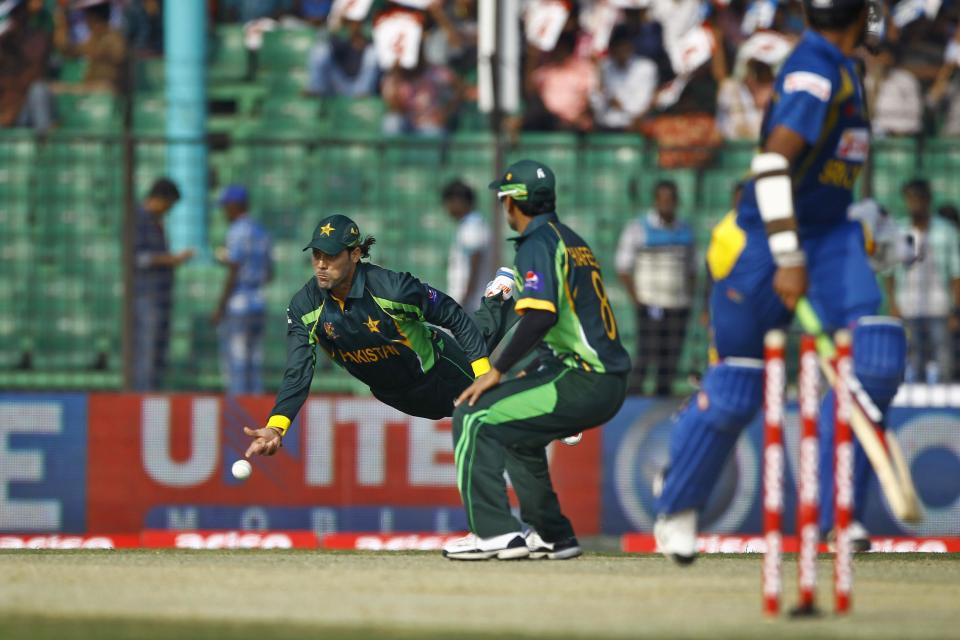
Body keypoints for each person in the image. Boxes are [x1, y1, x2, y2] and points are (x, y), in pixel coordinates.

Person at [654, 0, 906, 563]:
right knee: (737, 386)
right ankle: (677, 501)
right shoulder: (816, 70)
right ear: (862, 14)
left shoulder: (845, 69)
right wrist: (790, 255)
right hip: (768, 239)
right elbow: (771, 167)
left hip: (831, 235)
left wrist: (873, 231)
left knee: (877, 358)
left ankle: (837, 513)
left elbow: (830, 178)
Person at [444, 160, 630, 561]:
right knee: (516, 435)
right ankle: (552, 534)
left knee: (473, 415)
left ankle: (493, 533)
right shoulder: (570, 239)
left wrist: (498, 370)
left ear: (516, 203)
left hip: (584, 377)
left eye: (504, 199)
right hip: (601, 375)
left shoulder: (537, 244)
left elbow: (542, 314)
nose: (502, 207)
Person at [242, 213, 494, 456]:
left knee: (491, 406)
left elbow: (454, 316)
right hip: (394, 395)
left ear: (355, 254)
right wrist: (276, 427)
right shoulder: (304, 307)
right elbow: (298, 370)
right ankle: (499, 302)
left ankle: (500, 299)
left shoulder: (392, 289)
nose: (320, 263)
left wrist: (483, 374)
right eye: (316, 255)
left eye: (330, 255)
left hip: (438, 373)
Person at [616, 180, 696, 396]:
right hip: (650, 303)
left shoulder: (685, 230)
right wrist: (638, 300)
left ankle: (663, 400)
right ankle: (634, 400)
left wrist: (687, 296)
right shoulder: (639, 228)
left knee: (670, 358)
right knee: (647, 353)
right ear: (655, 201)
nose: (667, 205)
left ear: (677, 201)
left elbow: (692, 269)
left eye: (671, 200)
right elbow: (623, 267)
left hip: (678, 305)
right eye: (663, 200)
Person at [885, 179, 960, 383]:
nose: (915, 204)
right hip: (908, 305)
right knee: (913, 359)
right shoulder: (899, 231)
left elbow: (956, 273)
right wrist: (893, 304)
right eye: (910, 199)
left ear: (928, 200)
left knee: (945, 359)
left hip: (940, 307)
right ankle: (916, 409)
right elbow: (890, 271)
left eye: (919, 199)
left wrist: (956, 310)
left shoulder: (946, 231)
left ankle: (944, 410)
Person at [132, 178, 195, 391]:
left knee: (158, 352)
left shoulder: (155, 222)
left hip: (160, 296)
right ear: (160, 199)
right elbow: (137, 258)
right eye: (170, 204)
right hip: (146, 296)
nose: (170, 210)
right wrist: (171, 259)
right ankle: (143, 396)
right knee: (147, 352)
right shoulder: (139, 220)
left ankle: (152, 392)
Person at [213, 185, 274, 395]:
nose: (224, 213)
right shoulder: (261, 231)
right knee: (255, 361)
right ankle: (256, 409)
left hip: (239, 303)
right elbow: (270, 273)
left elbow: (234, 270)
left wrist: (219, 307)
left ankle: (238, 412)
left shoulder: (236, 231)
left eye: (226, 207)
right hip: (258, 300)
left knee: (236, 362)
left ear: (234, 206)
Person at [0, 0, 55, 134]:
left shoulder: (37, 38)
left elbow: (31, 76)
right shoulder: (5, 42)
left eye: (18, 13)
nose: (14, 18)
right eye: (12, 15)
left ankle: (45, 149)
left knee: (39, 90)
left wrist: (10, 113)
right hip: (4, 111)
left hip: (23, 110)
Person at [591, 24, 658, 131]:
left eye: (624, 46)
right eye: (617, 47)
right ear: (611, 49)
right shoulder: (603, 67)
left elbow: (650, 99)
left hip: (635, 126)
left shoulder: (645, 67)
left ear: (631, 47)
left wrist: (635, 117)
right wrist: (606, 96)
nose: (621, 51)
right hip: (605, 127)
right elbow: (595, 97)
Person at [53, 0, 127, 94]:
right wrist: (61, 23)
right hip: (93, 90)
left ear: (94, 17)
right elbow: (68, 50)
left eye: (86, 15)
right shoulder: (95, 38)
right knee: (55, 88)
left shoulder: (113, 39)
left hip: (106, 93)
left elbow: (116, 54)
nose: (86, 20)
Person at [442, 179, 491, 314]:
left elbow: (475, 260)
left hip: (469, 304)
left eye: (449, 202)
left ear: (459, 201)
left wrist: (464, 301)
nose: (447, 207)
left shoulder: (472, 226)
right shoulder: (473, 224)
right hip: (471, 302)